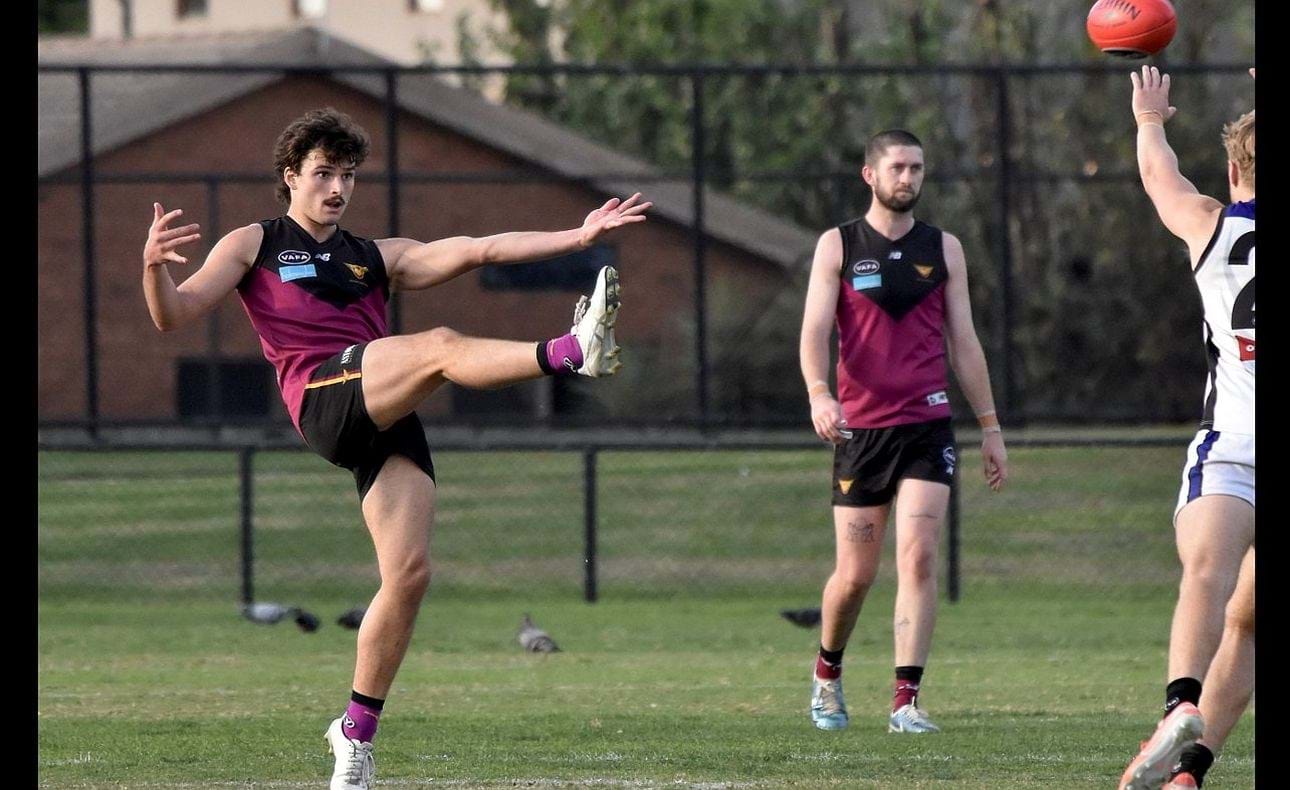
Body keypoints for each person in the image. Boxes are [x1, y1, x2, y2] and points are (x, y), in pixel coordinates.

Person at [141, 107, 650, 790]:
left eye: (347, 175)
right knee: (438, 347)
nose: (337, 188)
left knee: (409, 576)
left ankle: (354, 734)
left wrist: (580, 236)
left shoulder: (374, 255)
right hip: (324, 396)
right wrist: (152, 270)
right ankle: (567, 351)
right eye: (323, 173)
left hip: (384, 409)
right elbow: (173, 314)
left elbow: (479, 248)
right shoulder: (254, 243)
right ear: (291, 176)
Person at [798, 129, 1008, 734]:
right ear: (870, 174)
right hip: (861, 433)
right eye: (897, 168)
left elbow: (963, 342)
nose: (908, 179)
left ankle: (905, 703)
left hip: (927, 426)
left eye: (917, 168)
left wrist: (990, 427)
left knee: (917, 558)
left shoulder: (945, 249)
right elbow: (814, 331)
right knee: (855, 576)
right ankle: (827, 675)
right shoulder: (837, 246)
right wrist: (819, 393)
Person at [1118, 66, 1255, 790]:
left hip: (1232, 448)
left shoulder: (1210, 222)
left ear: (1235, 167)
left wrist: (1150, 118)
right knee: (1251, 625)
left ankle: (1180, 706)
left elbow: (1156, 174)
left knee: (1206, 572)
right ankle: (1191, 775)